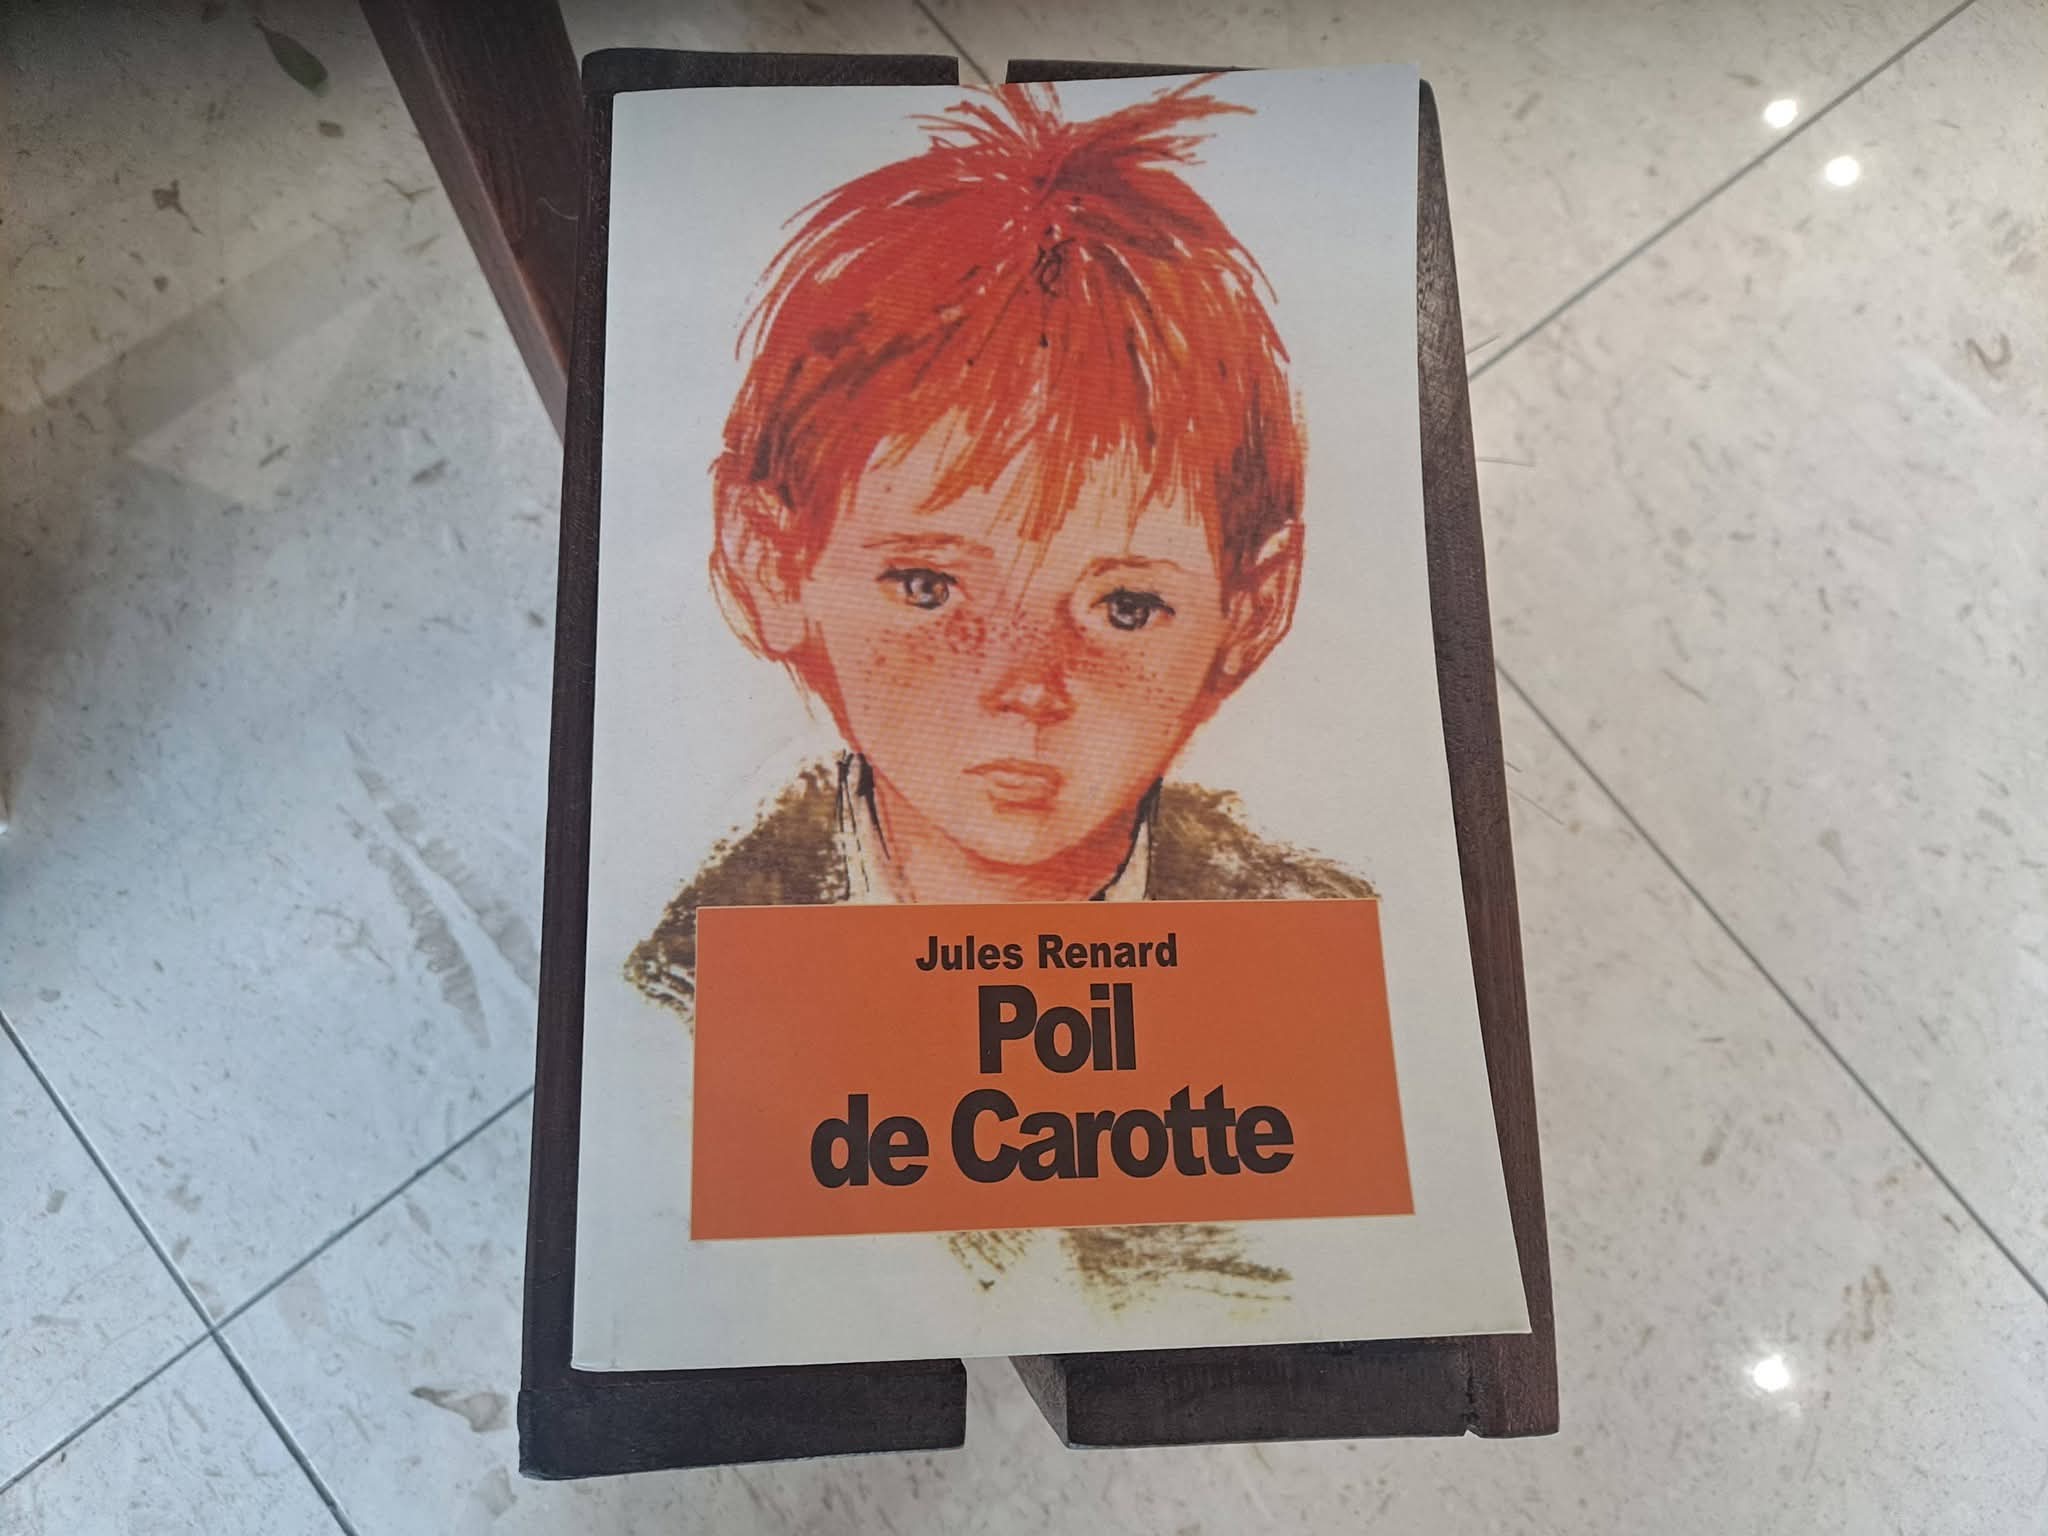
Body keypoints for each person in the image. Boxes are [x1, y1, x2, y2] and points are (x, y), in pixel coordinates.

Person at [628, 77, 1372, 1018]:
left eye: (1125, 607)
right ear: (770, 565)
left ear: (1253, 611)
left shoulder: (1311, 953)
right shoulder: (686, 986)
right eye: (927, 586)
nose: (1027, 687)